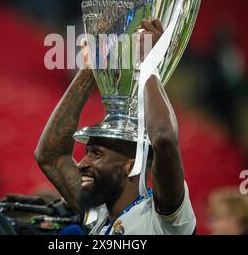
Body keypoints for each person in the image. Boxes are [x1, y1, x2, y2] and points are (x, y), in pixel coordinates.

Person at [35, 19, 196, 235]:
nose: (82, 163)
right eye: (87, 153)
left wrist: (148, 63)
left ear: (130, 166)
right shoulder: (97, 217)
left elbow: (164, 139)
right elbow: (50, 156)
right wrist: (90, 69)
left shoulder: (163, 217)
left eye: (96, 154)